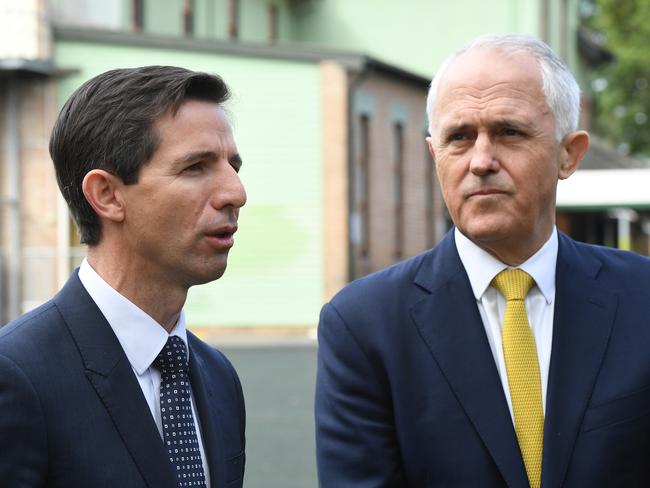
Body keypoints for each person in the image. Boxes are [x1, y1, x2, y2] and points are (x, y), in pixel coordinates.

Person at [315, 33, 650, 487]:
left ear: (568, 154)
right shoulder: (364, 325)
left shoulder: (640, 298)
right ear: (435, 155)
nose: (481, 161)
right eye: (459, 137)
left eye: (508, 132)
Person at [0, 66, 247, 487]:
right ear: (107, 195)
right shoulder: (18, 375)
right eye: (195, 167)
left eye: (232, 165)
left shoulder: (216, 374)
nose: (235, 192)